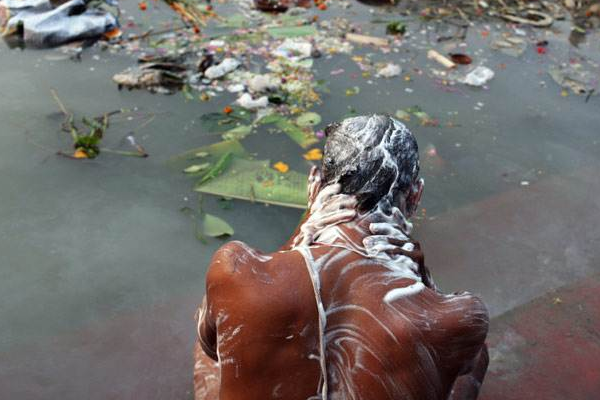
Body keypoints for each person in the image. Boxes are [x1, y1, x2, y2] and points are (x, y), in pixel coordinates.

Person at [194, 115, 489, 400]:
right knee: (475, 356)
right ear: (415, 197)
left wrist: (297, 240)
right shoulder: (459, 317)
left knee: (214, 334)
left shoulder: (235, 269)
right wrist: (425, 285)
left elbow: (211, 347)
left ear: (314, 186)